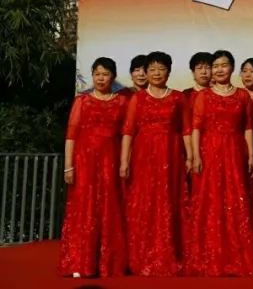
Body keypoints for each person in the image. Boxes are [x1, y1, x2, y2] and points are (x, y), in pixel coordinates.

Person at [186, 50, 253, 276]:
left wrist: (251, 155)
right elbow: (196, 128)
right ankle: (209, 254)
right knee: (211, 199)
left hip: (235, 150)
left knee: (235, 199)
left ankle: (235, 255)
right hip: (210, 150)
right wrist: (196, 156)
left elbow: (248, 127)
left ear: (232, 68)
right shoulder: (203, 96)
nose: (219, 70)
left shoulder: (242, 95)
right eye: (215, 66)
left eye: (223, 65)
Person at [120, 51, 191, 276]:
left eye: (161, 69)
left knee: (170, 199)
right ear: (146, 72)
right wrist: (124, 160)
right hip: (144, 155)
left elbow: (186, 130)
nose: (157, 73)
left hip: (171, 155)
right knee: (144, 201)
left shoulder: (178, 98)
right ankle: (142, 255)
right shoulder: (138, 99)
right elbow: (128, 130)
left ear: (169, 72)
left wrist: (190, 156)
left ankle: (170, 253)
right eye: (152, 69)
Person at [58, 58, 129, 278]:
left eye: (105, 74)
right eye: (97, 74)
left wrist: (124, 162)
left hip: (111, 160)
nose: (100, 78)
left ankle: (107, 263)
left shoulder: (123, 102)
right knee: (84, 208)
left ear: (113, 77)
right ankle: (79, 261)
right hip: (85, 160)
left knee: (109, 208)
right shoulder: (83, 101)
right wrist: (68, 167)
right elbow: (71, 134)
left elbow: (127, 134)